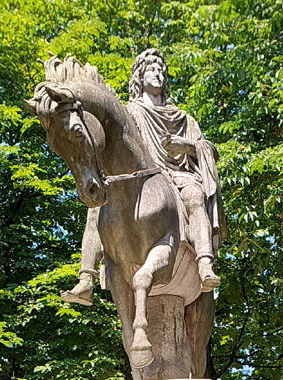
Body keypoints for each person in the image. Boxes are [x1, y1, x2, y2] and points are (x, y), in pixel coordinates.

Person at [62, 48, 226, 305]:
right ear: (139, 76)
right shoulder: (131, 113)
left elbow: (210, 151)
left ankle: (205, 262)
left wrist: (186, 146)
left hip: (177, 176)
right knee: (96, 208)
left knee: (194, 196)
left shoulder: (182, 117)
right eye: (151, 69)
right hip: (141, 179)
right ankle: (86, 279)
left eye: (161, 70)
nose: (158, 73)